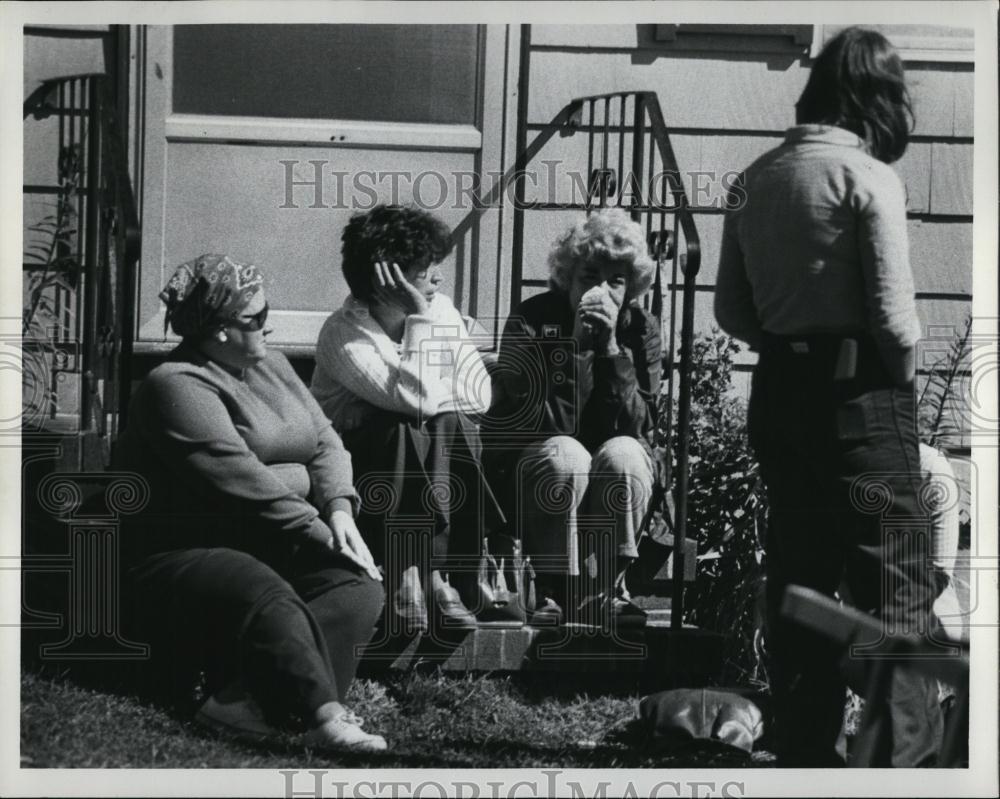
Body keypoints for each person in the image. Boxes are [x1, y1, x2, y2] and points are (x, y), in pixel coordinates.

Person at [714, 27, 942, 766]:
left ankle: (807, 756)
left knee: (802, 583)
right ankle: (900, 767)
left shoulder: (754, 176)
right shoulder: (867, 177)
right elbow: (896, 321)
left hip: (781, 395)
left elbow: (731, 312)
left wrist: (788, 341)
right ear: (879, 96)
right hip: (862, 396)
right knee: (896, 588)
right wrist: (895, 382)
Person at [114, 254, 387, 753]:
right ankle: (325, 718)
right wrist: (319, 524)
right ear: (218, 330)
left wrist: (341, 510)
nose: (270, 324)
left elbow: (326, 442)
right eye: (256, 318)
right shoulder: (176, 384)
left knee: (357, 587)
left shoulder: (272, 365)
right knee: (266, 590)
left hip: (264, 536)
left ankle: (243, 700)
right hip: (179, 552)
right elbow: (239, 482)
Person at [311, 205, 503, 632]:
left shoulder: (443, 311)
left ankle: (425, 576)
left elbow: (480, 395)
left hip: (416, 465)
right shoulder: (344, 332)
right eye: (423, 270)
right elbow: (416, 399)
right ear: (386, 278)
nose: (437, 279)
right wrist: (418, 319)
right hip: (359, 470)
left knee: (450, 423)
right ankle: (420, 575)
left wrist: (410, 397)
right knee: (401, 427)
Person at [485, 207, 662, 625]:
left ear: (631, 287)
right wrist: (579, 346)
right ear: (568, 277)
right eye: (590, 277)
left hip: (609, 467)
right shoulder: (530, 320)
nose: (602, 290)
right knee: (566, 453)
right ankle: (551, 587)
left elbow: (639, 424)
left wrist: (612, 351)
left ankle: (609, 590)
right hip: (535, 468)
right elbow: (547, 422)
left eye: (616, 281)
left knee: (626, 453)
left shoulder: (641, 329)